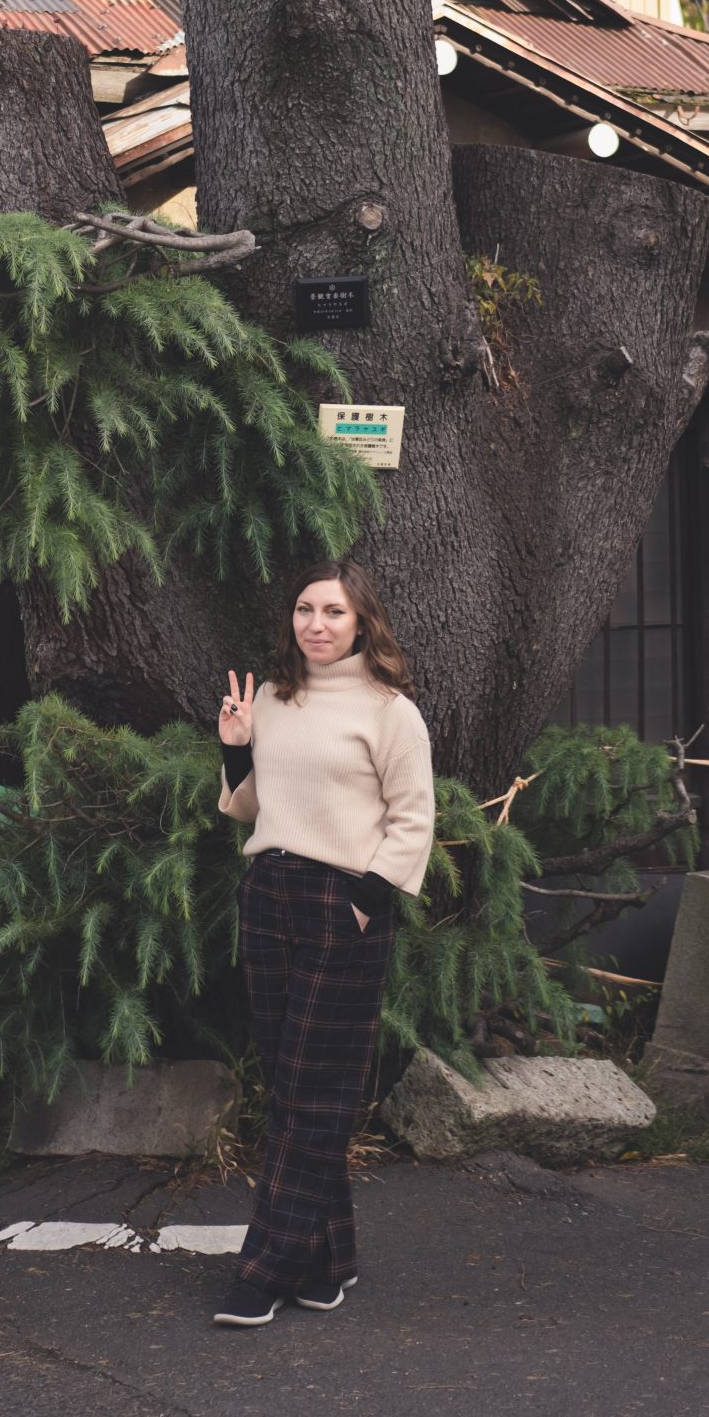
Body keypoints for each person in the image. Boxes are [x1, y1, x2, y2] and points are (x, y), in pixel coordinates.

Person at [210, 557, 435, 1328]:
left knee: (313, 1087)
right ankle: (326, 1260)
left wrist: (365, 902)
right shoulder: (275, 697)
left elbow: (413, 818)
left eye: (332, 612)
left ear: (362, 623)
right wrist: (237, 747)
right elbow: (248, 806)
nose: (315, 624)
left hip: (344, 903)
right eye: (304, 610)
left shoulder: (389, 711)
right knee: (294, 1084)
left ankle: (265, 1265)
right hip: (268, 894)